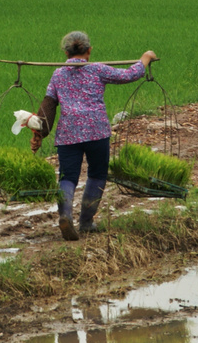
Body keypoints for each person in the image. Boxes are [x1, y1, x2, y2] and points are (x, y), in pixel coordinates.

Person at [30, 31, 158, 240]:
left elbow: (48, 106)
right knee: (97, 174)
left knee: (67, 176)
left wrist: (39, 132)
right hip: (97, 131)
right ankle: (86, 222)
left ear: (66, 52)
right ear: (89, 51)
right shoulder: (97, 69)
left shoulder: (58, 74)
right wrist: (146, 58)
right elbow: (129, 75)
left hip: (68, 134)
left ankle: (65, 215)